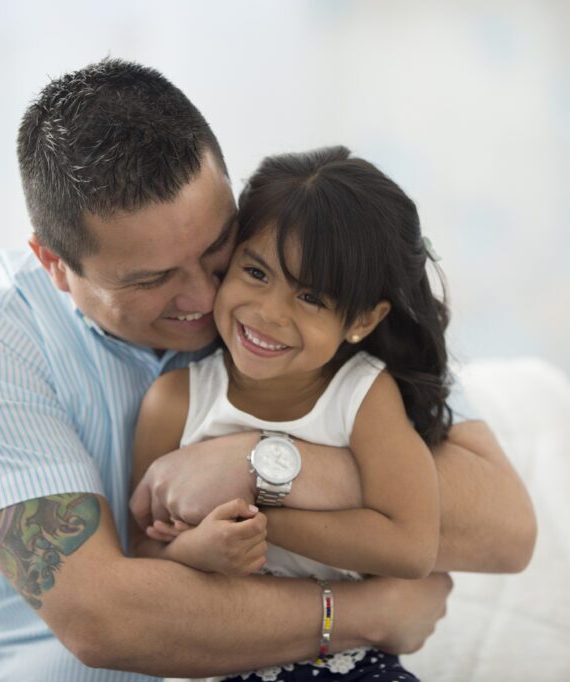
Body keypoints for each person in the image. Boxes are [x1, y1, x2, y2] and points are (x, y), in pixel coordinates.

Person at [0, 58, 536, 682]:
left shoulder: (292, 280)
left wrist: (257, 465)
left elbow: (504, 530)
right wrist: (363, 612)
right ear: (53, 263)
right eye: (153, 280)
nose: (206, 301)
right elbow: (106, 621)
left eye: (218, 249)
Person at [130, 146, 452, 681]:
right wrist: (195, 549)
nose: (269, 312)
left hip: (346, 661)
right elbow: (140, 548)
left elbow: (411, 545)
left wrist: (265, 523)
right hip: (216, 664)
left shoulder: (363, 394)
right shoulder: (176, 400)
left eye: (311, 297)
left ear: (363, 320)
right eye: (255, 272)